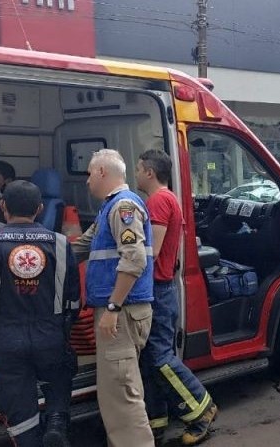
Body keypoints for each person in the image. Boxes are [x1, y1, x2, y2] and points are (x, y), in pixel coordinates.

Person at [0, 180, 80, 447]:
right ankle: (57, 420)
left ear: (3, 206)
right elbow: (73, 300)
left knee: (18, 404)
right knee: (59, 374)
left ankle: (30, 440)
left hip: (7, 337)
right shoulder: (59, 243)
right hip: (50, 333)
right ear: (40, 208)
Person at [70, 149, 155, 447]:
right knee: (117, 393)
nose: (87, 181)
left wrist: (112, 307)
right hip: (122, 311)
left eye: (90, 174)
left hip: (122, 311)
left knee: (122, 396)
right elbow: (80, 246)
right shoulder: (110, 209)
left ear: (103, 172)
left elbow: (133, 261)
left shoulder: (124, 207)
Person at [134, 150, 218, 445]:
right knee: (150, 361)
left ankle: (201, 409)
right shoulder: (167, 199)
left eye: (138, 168)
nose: (135, 172)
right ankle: (156, 423)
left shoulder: (158, 201)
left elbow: (150, 251)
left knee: (159, 357)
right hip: (161, 288)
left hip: (157, 289)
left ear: (149, 172)